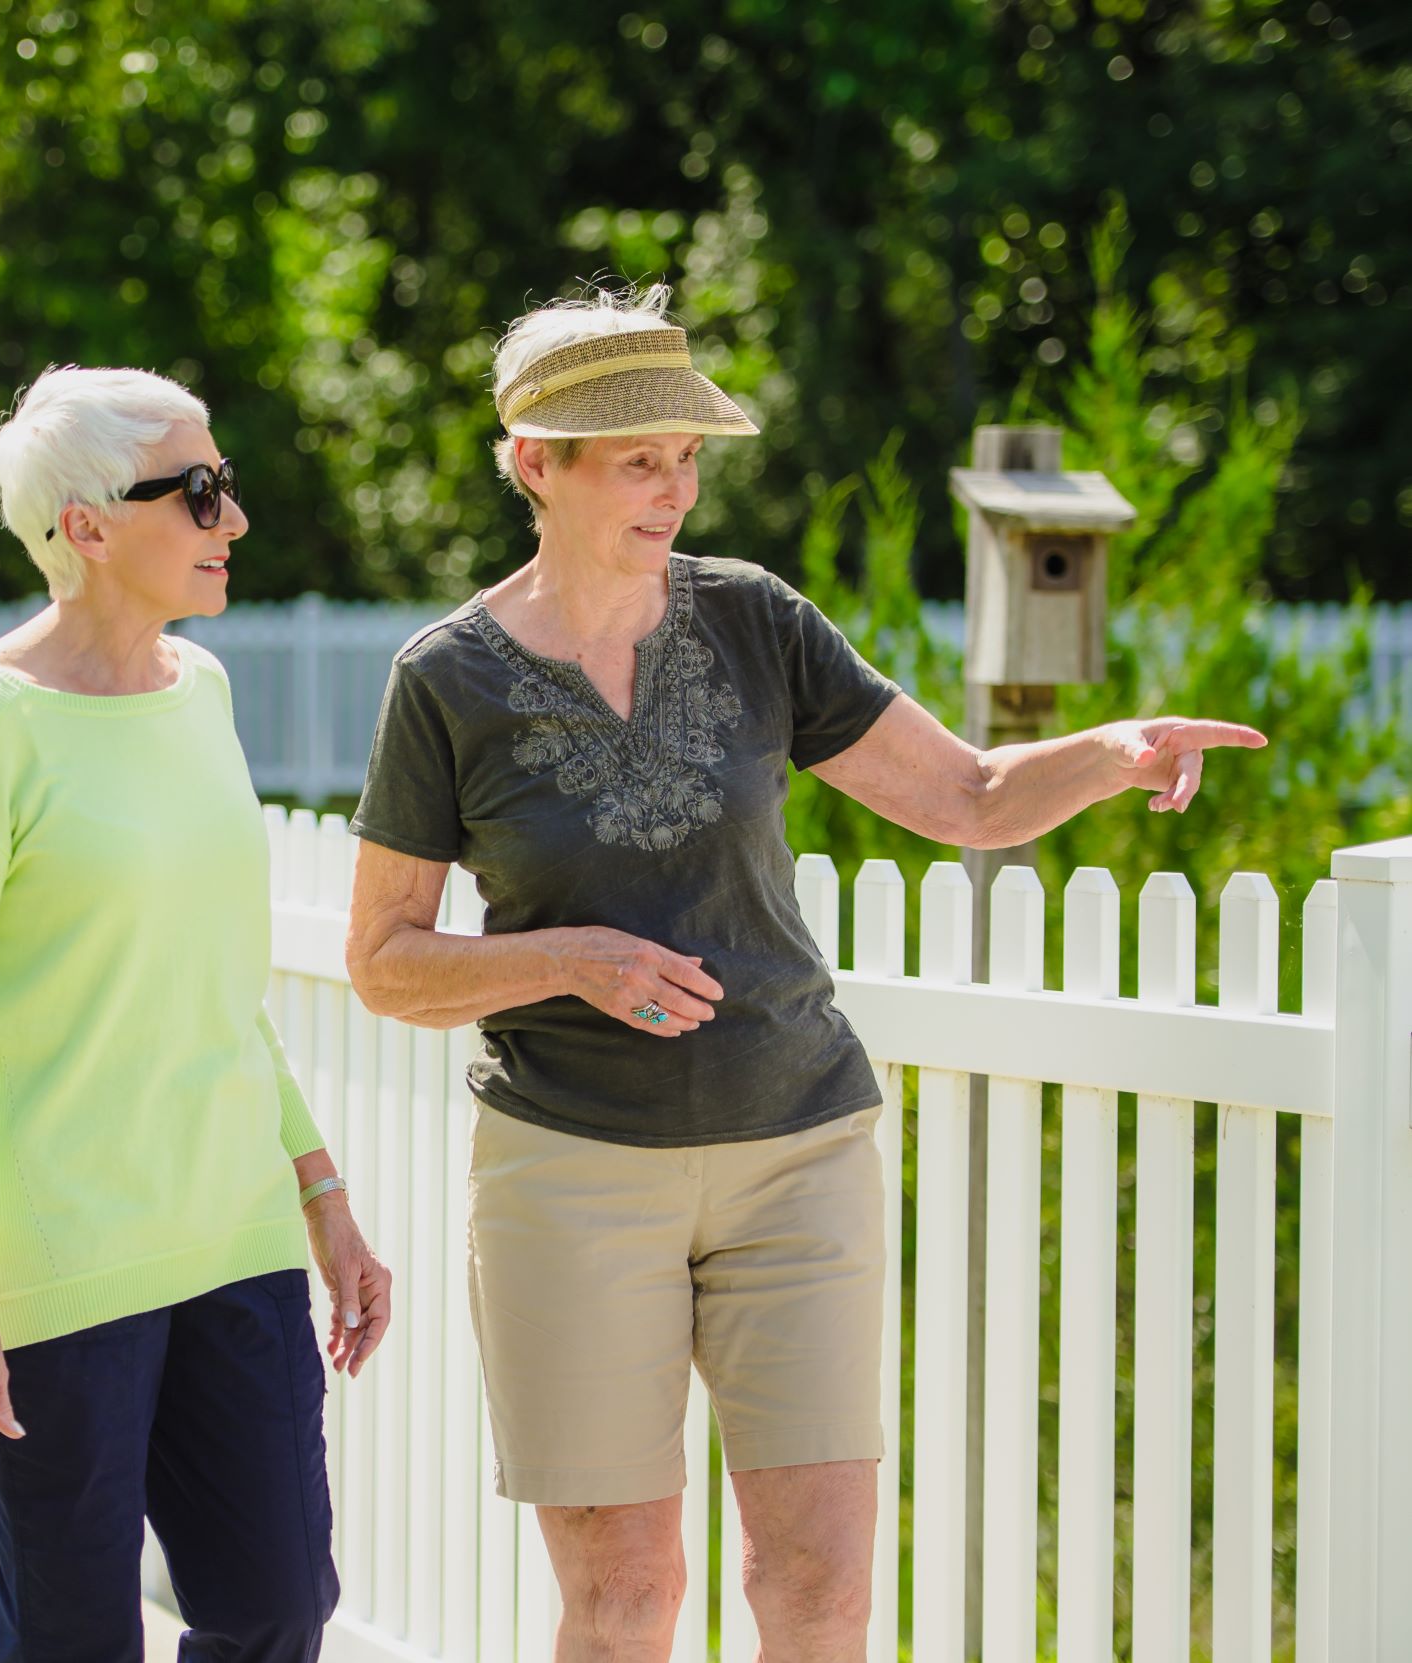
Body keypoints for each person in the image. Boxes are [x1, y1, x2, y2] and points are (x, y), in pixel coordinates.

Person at [342, 284, 1267, 1661]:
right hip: (572, 1168)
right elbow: (385, 961)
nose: (676, 486)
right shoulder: (447, 681)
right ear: (539, 462)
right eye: (639, 457)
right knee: (624, 1595)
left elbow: (965, 794)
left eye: (689, 455)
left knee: (821, 1585)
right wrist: (563, 959)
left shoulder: (754, 619)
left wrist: (1112, 749)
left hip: (800, 1146)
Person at [0, 365, 394, 1661]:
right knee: (73, 1640)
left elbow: (214, 986)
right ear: (87, 524)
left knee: (275, 1606)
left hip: (235, 1234)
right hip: (56, 1268)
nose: (233, 518)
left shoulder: (199, 692)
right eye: (198, 490)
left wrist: (319, 1188)